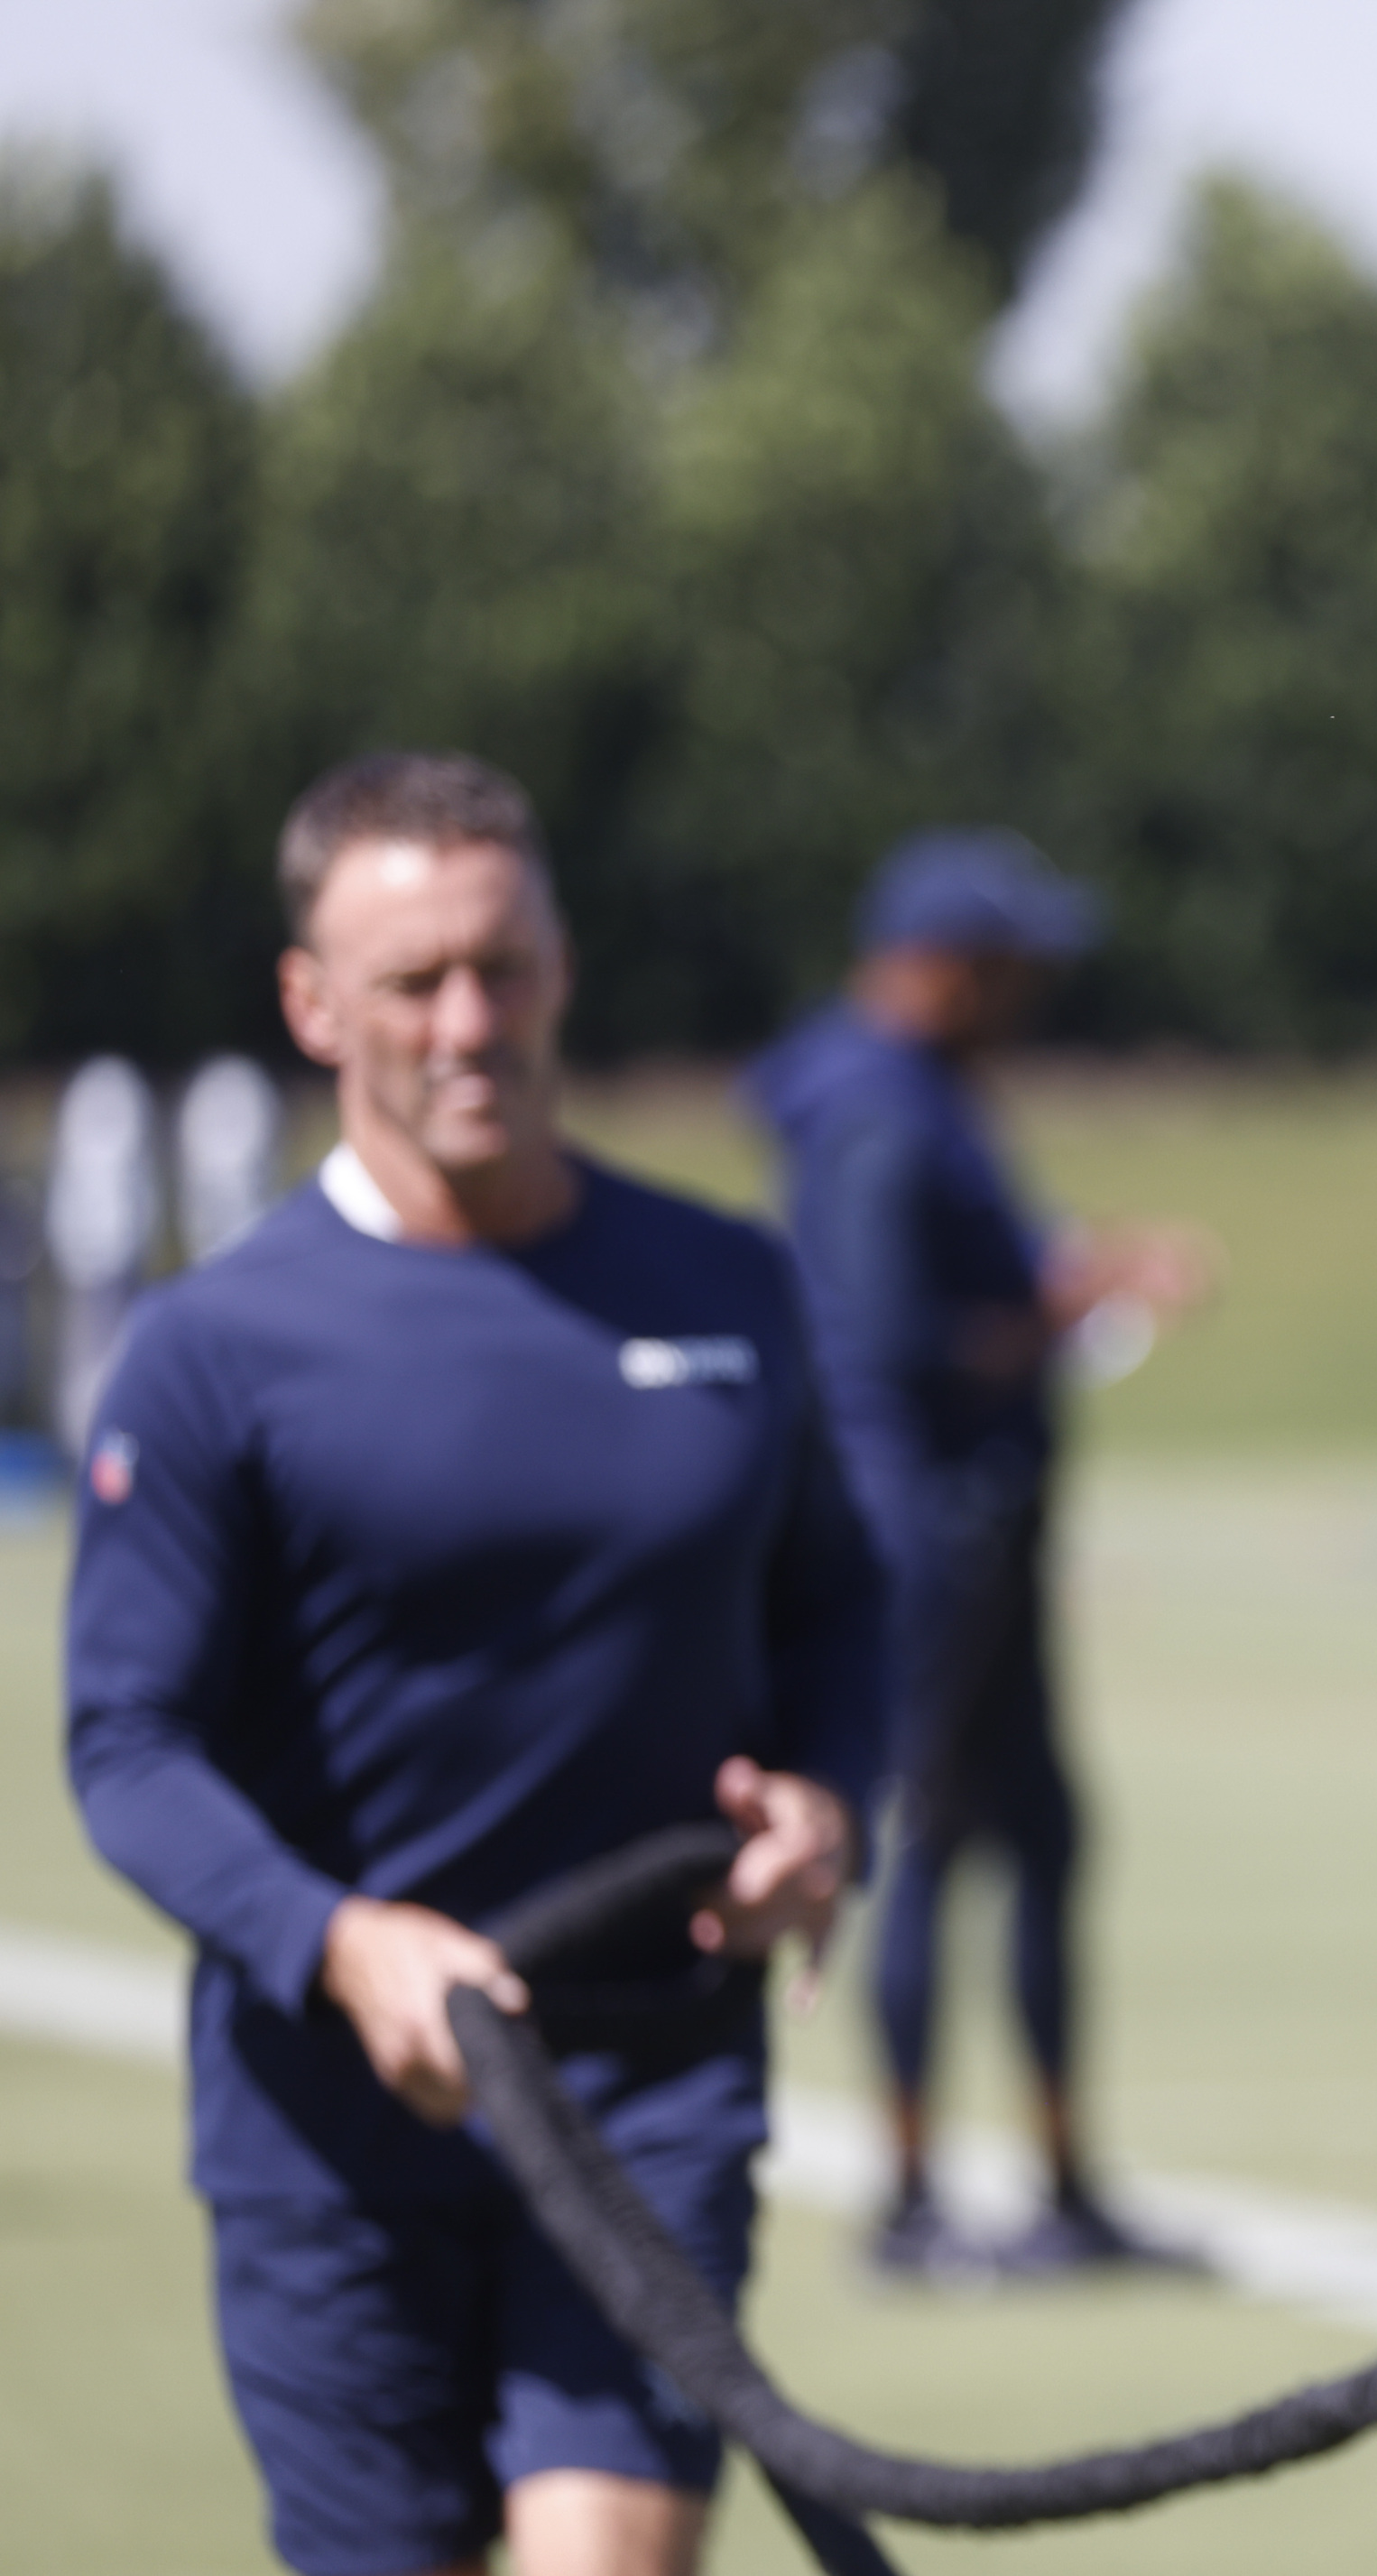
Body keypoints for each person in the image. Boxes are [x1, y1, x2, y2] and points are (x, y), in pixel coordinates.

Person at [65, 750, 884, 2576]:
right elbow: (125, 1744)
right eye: (413, 979)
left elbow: (839, 1601)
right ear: (311, 1003)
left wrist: (830, 1803)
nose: (467, 1021)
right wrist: (341, 1946)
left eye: (502, 966)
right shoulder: (219, 1349)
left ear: (562, 966)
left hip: (652, 2090)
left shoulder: (726, 1283)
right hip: (331, 2141)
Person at [744, 827, 1208, 2278]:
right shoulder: (879, 1111)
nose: (1030, 999)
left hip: (978, 1528)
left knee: (1045, 1842)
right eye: (1011, 971)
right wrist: (1087, 1291)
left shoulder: (916, 1092)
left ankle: (1062, 2189)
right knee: (932, 1847)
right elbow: (894, 1344)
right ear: (939, 968)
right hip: (923, 1531)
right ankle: (908, 2199)